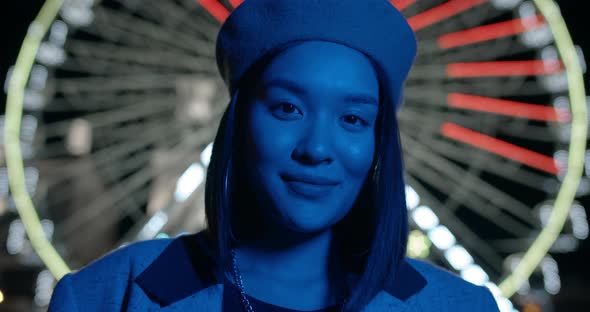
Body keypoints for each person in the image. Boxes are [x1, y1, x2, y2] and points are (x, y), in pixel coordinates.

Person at [48, 0, 501, 311]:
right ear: (238, 124)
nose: (317, 149)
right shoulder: (102, 298)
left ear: (378, 145)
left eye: (354, 119)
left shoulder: (460, 306)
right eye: (288, 108)